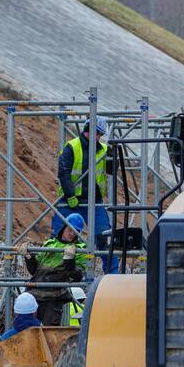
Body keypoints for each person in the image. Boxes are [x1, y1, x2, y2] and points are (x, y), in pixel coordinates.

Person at [54, 116, 119, 273]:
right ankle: (53, 273)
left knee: (105, 240)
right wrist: (70, 195)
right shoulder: (72, 147)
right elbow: (63, 172)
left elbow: (112, 171)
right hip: (70, 202)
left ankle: (112, 277)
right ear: (89, 130)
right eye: (97, 133)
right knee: (58, 238)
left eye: (100, 135)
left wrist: (112, 156)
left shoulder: (103, 150)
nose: (98, 137)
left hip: (94, 203)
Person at [16, 213, 88, 325]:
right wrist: (29, 257)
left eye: (76, 231)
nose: (72, 234)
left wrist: (69, 260)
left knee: (49, 334)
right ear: (64, 227)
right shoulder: (50, 244)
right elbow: (35, 271)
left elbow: (77, 276)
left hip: (53, 296)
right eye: (70, 229)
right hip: (34, 294)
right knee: (26, 332)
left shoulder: (80, 250)